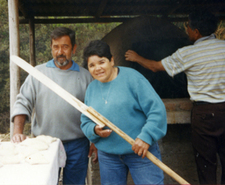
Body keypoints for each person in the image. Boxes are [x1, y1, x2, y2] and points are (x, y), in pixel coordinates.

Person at [125, 11, 225, 184]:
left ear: (196, 31)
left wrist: (136, 57)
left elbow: (156, 67)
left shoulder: (188, 53)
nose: (186, 30)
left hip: (204, 114)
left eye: (187, 26)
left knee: (206, 163)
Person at [11, 27, 95, 185]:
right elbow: (23, 102)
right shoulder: (37, 73)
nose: (60, 52)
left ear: (74, 48)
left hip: (78, 145)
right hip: (44, 144)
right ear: (51, 48)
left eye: (65, 46)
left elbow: (94, 112)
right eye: (56, 47)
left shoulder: (85, 76)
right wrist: (17, 133)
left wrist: (95, 142)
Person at [81, 40, 167, 185]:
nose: (98, 68)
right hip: (109, 156)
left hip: (141, 153)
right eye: (92, 65)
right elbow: (85, 121)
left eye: (101, 62)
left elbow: (157, 110)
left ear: (112, 60)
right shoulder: (91, 89)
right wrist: (94, 130)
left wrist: (146, 137)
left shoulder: (133, 78)